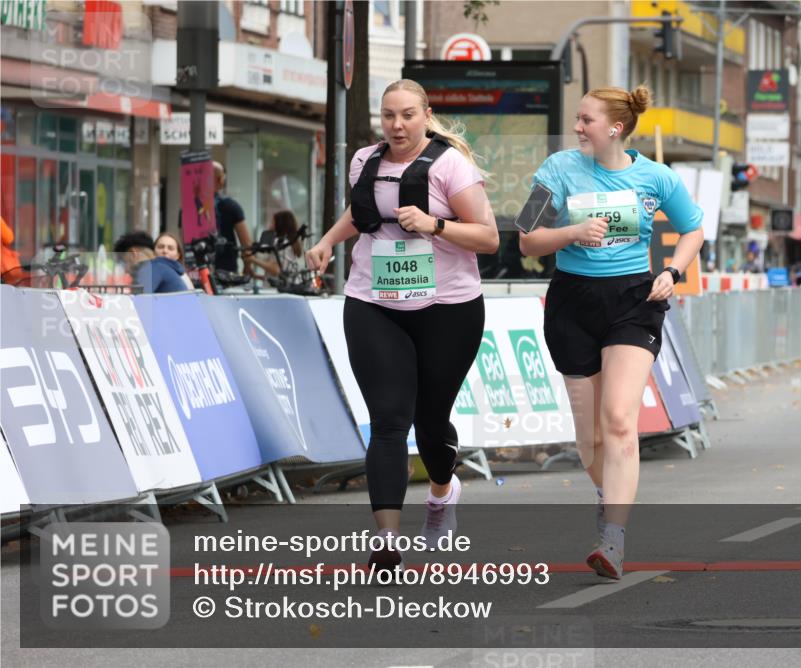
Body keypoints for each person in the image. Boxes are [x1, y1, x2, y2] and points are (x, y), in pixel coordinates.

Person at [305, 79, 499, 574]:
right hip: (374, 301)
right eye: (389, 115)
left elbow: (489, 238)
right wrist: (328, 241)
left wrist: (434, 224)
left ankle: (441, 494)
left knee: (431, 425)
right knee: (389, 420)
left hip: (447, 307)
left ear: (426, 114)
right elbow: (362, 211)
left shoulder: (451, 164)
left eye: (408, 115)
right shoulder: (364, 161)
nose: (397, 125)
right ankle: (387, 541)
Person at [519, 85, 704, 579]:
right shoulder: (557, 169)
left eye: (586, 120)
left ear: (615, 128)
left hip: (633, 302)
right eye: (577, 120)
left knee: (620, 418)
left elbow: (693, 229)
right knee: (589, 439)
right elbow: (526, 237)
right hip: (572, 301)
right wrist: (571, 233)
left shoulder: (656, 177)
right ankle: (608, 496)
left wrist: (673, 271)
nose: (577, 128)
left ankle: (613, 540)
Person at [113, 231, 189, 294]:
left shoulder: (152, 268)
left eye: (125, 262)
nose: (126, 269)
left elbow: (139, 298)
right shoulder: (159, 267)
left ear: (133, 254)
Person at [213, 162, 254, 274]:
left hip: (196, 270)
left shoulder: (189, 208)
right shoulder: (231, 205)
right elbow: (246, 244)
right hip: (226, 271)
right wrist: (247, 267)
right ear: (221, 179)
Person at [245, 210, 306, 277]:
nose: (270, 225)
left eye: (272, 222)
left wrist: (253, 259)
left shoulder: (281, 243)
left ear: (279, 224)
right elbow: (280, 275)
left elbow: (276, 270)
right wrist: (256, 276)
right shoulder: (291, 243)